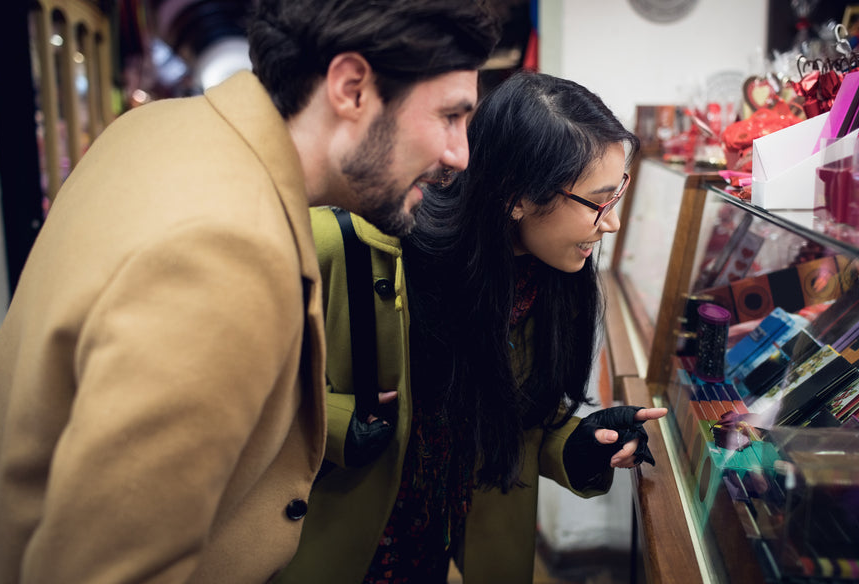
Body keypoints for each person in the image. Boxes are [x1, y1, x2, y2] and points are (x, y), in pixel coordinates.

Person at [0, 1, 500, 582]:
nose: (459, 154)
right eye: (450, 115)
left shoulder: (158, 127)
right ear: (351, 88)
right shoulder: (230, 248)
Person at [279, 71, 668, 584]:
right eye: (598, 201)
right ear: (516, 196)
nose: (611, 222)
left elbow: (512, 417)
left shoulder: (543, 281)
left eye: (617, 194)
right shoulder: (349, 248)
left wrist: (579, 441)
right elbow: (238, 390)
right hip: (337, 537)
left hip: (431, 541)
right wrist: (334, 425)